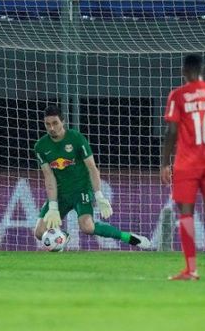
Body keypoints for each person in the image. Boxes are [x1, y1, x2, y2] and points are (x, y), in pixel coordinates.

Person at [33, 105, 151, 251]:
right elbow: (49, 176)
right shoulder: (40, 146)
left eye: (55, 123)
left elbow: (92, 168)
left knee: (87, 227)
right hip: (61, 194)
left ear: (62, 122)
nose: (51, 128)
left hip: (81, 189)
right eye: (48, 124)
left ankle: (129, 237)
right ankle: (62, 237)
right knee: (39, 233)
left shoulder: (76, 138)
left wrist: (99, 195)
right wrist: (52, 205)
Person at [161, 54, 205, 281]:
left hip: (187, 163)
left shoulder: (178, 95)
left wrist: (164, 163)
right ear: (204, 69)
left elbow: (171, 132)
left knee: (186, 213)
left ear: (184, 71)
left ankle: (191, 270)